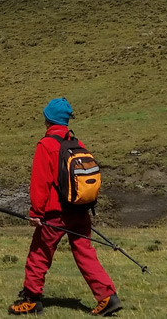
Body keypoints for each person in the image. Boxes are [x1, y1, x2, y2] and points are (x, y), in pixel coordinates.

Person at [10, 98, 121, 316]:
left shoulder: (46, 145)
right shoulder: (77, 144)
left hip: (55, 213)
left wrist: (36, 213)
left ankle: (31, 299)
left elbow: (40, 184)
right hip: (80, 209)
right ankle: (107, 297)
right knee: (85, 252)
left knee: (39, 252)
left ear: (48, 119)